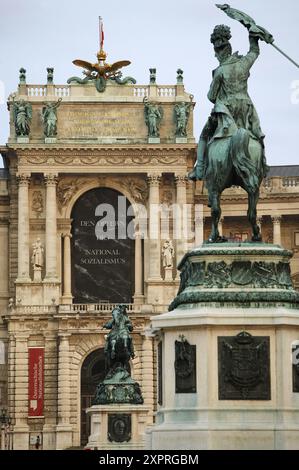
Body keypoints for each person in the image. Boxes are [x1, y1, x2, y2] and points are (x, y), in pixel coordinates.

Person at [189, 24, 267, 181]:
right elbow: (254, 52)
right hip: (246, 109)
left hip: (226, 110)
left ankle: (199, 168)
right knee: (256, 136)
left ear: (220, 54)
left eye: (216, 54)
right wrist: (253, 38)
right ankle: (261, 165)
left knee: (204, 135)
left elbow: (211, 96)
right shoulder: (244, 63)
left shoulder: (220, 71)